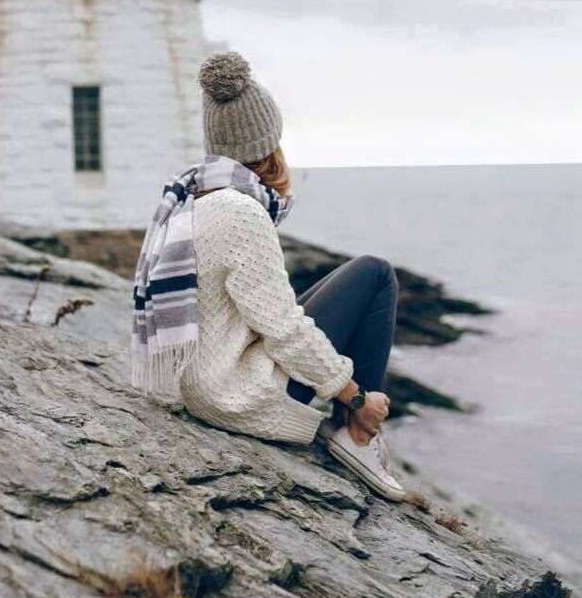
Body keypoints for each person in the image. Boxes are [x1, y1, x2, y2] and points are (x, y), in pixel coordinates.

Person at [131, 51, 405, 502]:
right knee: (374, 274)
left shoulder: (199, 198)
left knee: (307, 301)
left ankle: (350, 426)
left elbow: (269, 315)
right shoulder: (241, 212)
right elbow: (284, 330)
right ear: (267, 144)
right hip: (232, 393)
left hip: (206, 380)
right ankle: (358, 435)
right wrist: (357, 397)